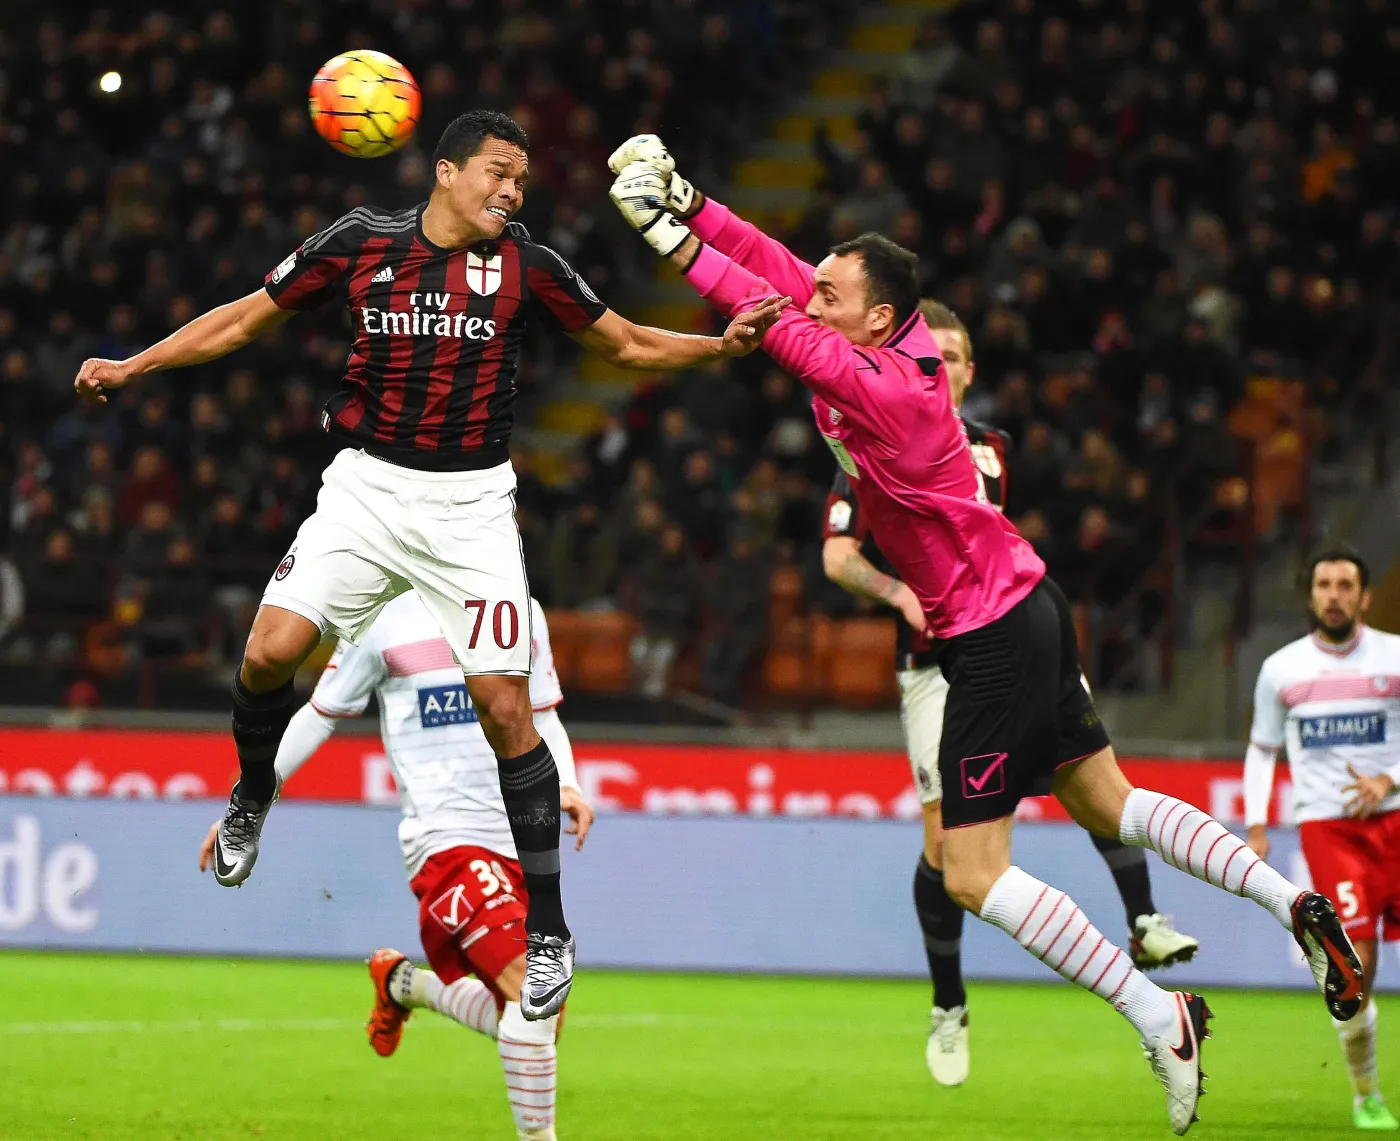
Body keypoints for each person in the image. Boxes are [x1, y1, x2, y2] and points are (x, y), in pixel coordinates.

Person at [605, 134, 1364, 1135]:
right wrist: (689, 192)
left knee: (968, 870)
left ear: (870, 315)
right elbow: (767, 261)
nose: (809, 294)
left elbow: (747, 303)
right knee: (1111, 800)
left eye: (828, 291)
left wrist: (654, 224)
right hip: (1032, 603)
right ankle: (1290, 903)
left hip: (989, 633)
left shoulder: (877, 383)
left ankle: (1156, 1010)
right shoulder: (890, 339)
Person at [76, 110, 784, 1019]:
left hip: (472, 509)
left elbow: (625, 342)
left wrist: (719, 346)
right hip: (368, 490)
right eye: (497, 172)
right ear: (447, 171)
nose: (511, 191)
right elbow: (246, 319)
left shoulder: (528, 265)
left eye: (521, 181)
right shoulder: (360, 243)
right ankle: (253, 794)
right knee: (265, 655)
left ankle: (550, 934)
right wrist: (134, 366)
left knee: (504, 707)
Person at [822, 299, 1198, 1087]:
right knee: (947, 847)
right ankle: (949, 1003)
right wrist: (895, 593)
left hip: (1009, 631)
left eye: (958, 358)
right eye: (940, 354)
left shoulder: (991, 447)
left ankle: (1144, 919)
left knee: (1093, 774)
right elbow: (836, 554)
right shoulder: (869, 442)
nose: (948, 368)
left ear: (967, 371)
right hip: (931, 661)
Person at [199, 591, 589, 1141]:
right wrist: (250, 802)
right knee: (530, 991)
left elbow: (542, 711)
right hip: (445, 840)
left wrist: (567, 782)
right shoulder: (381, 616)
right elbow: (318, 715)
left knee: (540, 1015)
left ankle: (404, 984)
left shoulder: (519, 608)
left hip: (519, 839)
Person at [1244, 547, 1400, 1132]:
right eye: (1324, 584)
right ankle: (1367, 1096)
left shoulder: (1394, 656)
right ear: (1310, 595)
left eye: (1345, 584)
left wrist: (1390, 778)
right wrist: (1257, 824)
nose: (1334, 594)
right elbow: (1262, 750)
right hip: (1329, 830)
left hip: (1397, 820)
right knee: (1356, 967)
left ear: (1364, 596)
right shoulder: (1282, 670)